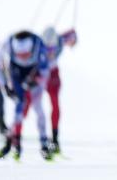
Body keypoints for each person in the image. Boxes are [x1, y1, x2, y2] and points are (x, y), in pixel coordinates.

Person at [0, 30, 53, 160]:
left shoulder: (38, 44)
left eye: (26, 54)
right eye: (20, 54)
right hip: (16, 74)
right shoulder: (8, 43)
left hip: (35, 74)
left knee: (38, 107)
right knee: (19, 107)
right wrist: (5, 85)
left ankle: (44, 143)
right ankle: (14, 143)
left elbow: (46, 69)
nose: (23, 57)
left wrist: (37, 80)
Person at [22, 26, 77, 154]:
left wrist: (74, 39)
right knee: (27, 101)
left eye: (52, 48)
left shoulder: (60, 40)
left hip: (53, 74)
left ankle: (55, 138)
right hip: (38, 74)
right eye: (46, 48)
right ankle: (15, 132)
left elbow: (72, 36)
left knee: (55, 104)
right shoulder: (35, 44)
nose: (49, 52)